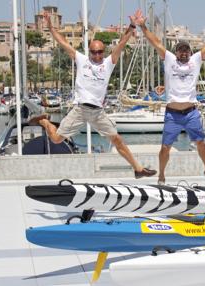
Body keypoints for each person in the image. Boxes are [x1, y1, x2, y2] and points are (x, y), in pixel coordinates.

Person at [29, 9, 156, 179]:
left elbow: (122, 42)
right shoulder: (82, 60)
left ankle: (138, 169)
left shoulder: (109, 63)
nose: (97, 55)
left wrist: (133, 25)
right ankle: (44, 121)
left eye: (100, 52)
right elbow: (63, 42)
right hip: (80, 110)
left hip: (97, 112)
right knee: (57, 139)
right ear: (90, 52)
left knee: (117, 139)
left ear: (103, 52)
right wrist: (51, 27)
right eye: (94, 52)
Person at [135, 13, 205, 187]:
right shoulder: (169, 59)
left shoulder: (196, 60)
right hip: (172, 114)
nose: (183, 52)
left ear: (190, 52)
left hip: (191, 113)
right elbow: (155, 42)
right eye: (180, 50)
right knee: (165, 148)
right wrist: (143, 27)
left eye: (186, 50)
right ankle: (162, 176)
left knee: (201, 144)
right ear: (176, 52)